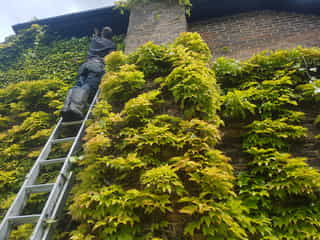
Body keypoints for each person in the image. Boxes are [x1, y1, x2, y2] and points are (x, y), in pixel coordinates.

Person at [61, 26, 116, 121]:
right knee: (88, 87)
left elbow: (95, 35)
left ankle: (67, 107)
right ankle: (75, 108)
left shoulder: (95, 40)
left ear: (102, 34)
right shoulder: (111, 44)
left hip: (85, 66)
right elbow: (111, 58)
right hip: (97, 66)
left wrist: (97, 33)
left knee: (78, 86)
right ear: (111, 36)